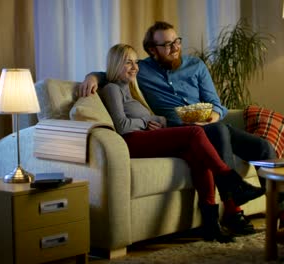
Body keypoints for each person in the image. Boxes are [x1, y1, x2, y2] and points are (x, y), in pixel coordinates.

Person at [79, 21, 284, 233]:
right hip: (180, 131)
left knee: (263, 148)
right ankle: (231, 208)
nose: (175, 48)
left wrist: (212, 117)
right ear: (152, 49)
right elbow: (113, 71)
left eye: (176, 41)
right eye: (167, 44)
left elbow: (217, 104)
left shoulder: (195, 65)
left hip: (209, 123)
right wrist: (92, 77)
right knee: (217, 132)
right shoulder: (142, 69)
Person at [98, 43, 266, 243]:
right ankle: (233, 181)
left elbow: (157, 120)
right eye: (128, 62)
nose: (135, 67)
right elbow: (122, 126)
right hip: (131, 142)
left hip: (143, 137)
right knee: (194, 132)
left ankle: (211, 225)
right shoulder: (111, 89)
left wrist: (157, 121)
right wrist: (146, 122)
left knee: (197, 157)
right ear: (116, 64)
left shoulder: (133, 90)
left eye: (136, 62)